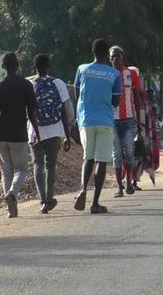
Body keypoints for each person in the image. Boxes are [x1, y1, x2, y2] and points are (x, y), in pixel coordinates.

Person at [0, 52, 41, 218]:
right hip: (19, 134)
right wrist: (37, 132)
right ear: (17, 65)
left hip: (2, 134)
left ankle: (11, 209)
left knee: (6, 171)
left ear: (3, 67)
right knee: (22, 169)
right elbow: (32, 113)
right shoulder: (26, 85)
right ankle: (12, 194)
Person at [73, 39, 120, 214]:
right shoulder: (114, 74)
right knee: (101, 160)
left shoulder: (82, 69)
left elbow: (77, 94)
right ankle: (95, 203)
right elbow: (116, 101)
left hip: (86, 119)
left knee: (88, 158)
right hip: (105, 120)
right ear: (107, 54)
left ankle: (83, 189)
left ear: (92, 51)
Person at [29, 54, 72, 214]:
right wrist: (67, 136)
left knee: (37, 165)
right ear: (48, 67)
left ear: (34, 68)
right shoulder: (58, 83)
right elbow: (63, 111)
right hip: (54, 130)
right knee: (50, 166)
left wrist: (33, 132)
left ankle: (43, 201)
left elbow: (28, 112)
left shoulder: (30, 84)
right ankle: (49, 198)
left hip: (35, 131)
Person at [110, 46, 142, 197]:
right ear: (110, 59)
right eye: (113, 56)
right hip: (112, 120)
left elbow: (136, 97)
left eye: (118, 56)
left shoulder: (131, 74)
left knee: (129, 152)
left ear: (123, 57)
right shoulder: (107, 75)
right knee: (116, 154)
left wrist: (139, 120)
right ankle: (119, 187)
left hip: (128, 119)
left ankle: (129, 182)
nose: (116, 59)